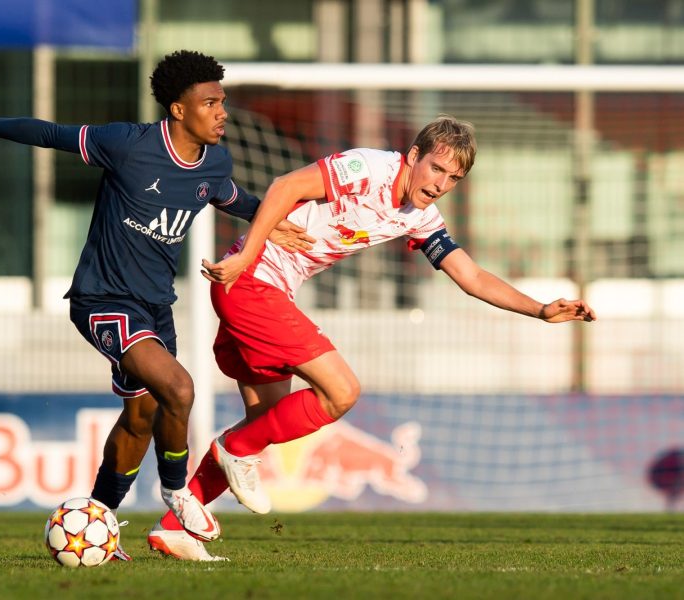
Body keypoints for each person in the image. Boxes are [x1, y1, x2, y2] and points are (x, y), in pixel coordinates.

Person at [151, 114, 597, 559]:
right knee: (341, 392)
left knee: (263, 422)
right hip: (249, 282)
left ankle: (174, 526)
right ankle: (233, 449)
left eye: (454, 178)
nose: (441, 184)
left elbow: (470, 274)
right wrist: (247, 251)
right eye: (436, 169)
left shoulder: (420, 217)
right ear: (414, 156)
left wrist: (539, 310)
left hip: (267, 292)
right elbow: (286, 186)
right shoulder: (368, 169)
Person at [0, 50, 311, 562]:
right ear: (178, 109)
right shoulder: (128, 145)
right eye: (211, 102)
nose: (222, 111)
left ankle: (98, 525)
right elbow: (48, 132)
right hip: (102, 298)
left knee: (141, 416)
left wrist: (269, 218)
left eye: (224, 101)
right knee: (179, 387)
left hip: (155, 305)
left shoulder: (215, 160)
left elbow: (226, 195)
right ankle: (177, 492)